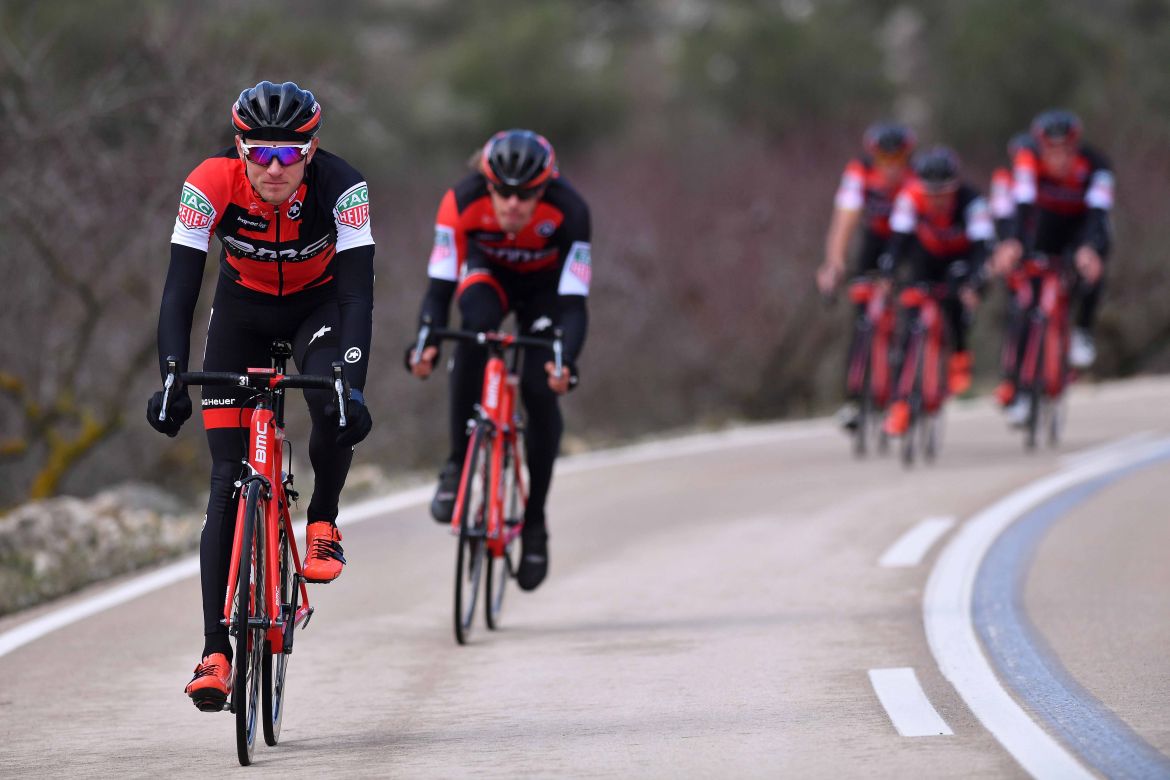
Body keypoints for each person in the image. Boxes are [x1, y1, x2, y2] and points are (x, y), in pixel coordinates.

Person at [147, 81, 375, 710]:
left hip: (319, 307)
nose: (275, 168)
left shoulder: (343, 186)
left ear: (312, 149)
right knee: (226, 478)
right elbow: (179, 291)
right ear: (241, 148)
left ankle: (323, 518)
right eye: (261, 153)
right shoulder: (209, 181)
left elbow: (358, 294)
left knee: (331, 400)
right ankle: (215, 651)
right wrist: (171, 375)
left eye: (290, 153)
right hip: (241, 312)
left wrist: (351, 382)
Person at [408, 129, 590, 592]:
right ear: (486, 183)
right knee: (472, 334)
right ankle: (455, 466)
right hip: (487, 278)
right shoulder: (460, 201)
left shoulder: (571, 211)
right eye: (503, 192)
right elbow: (439, 287)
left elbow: (573, 302)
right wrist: (426, 340)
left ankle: (534, 522)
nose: (512, 203)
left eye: (525, 194)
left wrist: (565, 359)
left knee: (537, 387)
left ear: (544, 188)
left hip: (546, 293)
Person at [993, 109, 1113, 422]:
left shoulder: (1097, 166)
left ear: (1076, 147)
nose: (1059, 158)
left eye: (1066, 151)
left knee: (1094, 262)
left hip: (1080, 228)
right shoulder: (1026, 160)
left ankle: (1082, 330)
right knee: (1025, 304)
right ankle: (1019, 388)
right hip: (1043, 229)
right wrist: (1013, 243)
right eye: (1052, 151)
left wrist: (1089, 249)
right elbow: (1022, 204)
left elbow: (1098, 216)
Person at [882, 146, 993, 436]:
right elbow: (898, 243)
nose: (937, 200)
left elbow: (983, 250)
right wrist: (889, 273)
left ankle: (959, 353)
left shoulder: (973, 202)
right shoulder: (910, 198)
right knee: (908, 324)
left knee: (956, 299)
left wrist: (976, 283)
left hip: (960, 261)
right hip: (925, 262)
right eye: (931, 193)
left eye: (943, 193)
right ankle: (901, 404)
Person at [816, 122, 917, 430]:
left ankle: (908, 385)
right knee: (862, 317)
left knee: (912, 303)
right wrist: (833, 264)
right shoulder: (859, 172)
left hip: (909, 242)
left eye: (896, 160)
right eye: (884, 161)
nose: (890, 169)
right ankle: (855, 399)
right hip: (874, 241)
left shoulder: (915, 178)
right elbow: (843, 222)